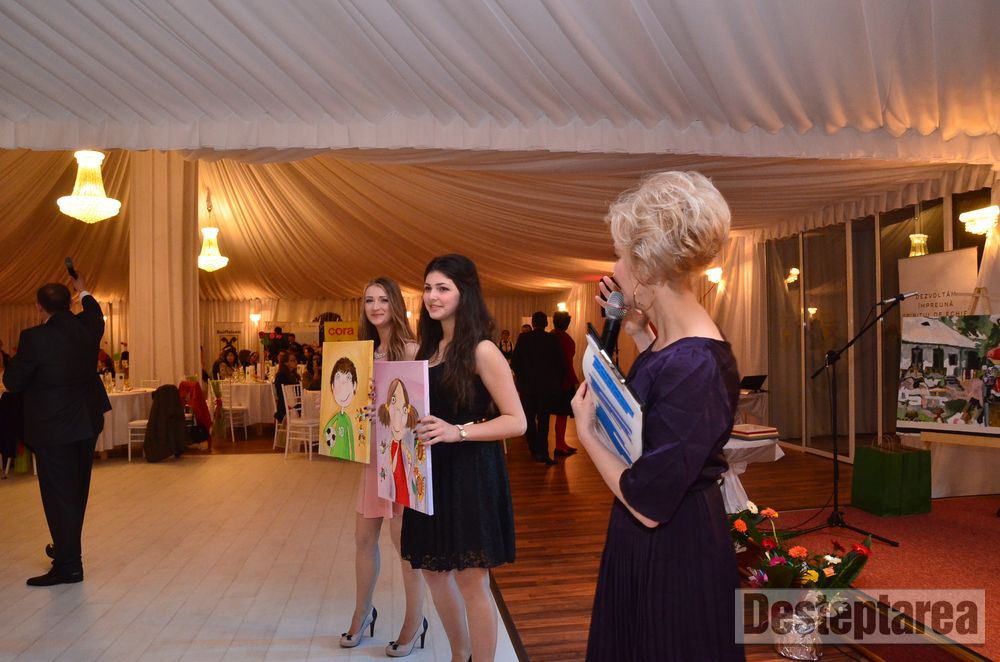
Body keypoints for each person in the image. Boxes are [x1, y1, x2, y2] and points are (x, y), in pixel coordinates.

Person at [571, 171, 743, 660]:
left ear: (646, 266)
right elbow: (662, 408)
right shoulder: (675, 346)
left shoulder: (695, 364)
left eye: (620, 255)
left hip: (673, 550)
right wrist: (638, 332)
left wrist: (587, 433)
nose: (616, 267)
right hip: (658, 538)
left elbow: (648, 503)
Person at [402, 254, 526, 662]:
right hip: (431, 474)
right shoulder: (428, 348)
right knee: (434, 572)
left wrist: (459, 432)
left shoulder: (482, 349)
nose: (432, 296)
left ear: (464, 294)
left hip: (470, 473)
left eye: (443, 288)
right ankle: (461, 654)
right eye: (428, 288)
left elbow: (517, 421)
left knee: (472, 581)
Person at [3, 272, 111, 586]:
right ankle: (66, 550)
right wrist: (83, 289)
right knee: (76, 492)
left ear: (39, 307)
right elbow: (94, 312)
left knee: (57, 495)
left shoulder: (34, 338)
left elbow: (13, 382)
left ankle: (69, 566)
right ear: (70, 303)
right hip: (86, 422)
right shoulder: (88, 327)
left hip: (54, 428)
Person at [340, 276, 429, 657]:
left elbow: (419, 405)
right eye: (368, 300)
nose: (375, 307)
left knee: (405, 545)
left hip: (402, 458)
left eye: (382, 300)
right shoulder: (363, 354)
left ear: (395, 304)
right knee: (363, 539)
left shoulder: (412, 349)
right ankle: (362, 613)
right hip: (371, 458)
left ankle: (414, 621)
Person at [511, 311, 564, 464]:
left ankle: (533, 448)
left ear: (533, 323)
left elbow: (515, 362)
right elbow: (560, 364)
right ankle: (543, 452)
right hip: (546, 388)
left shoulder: (524, 338)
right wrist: (555, 382)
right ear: (546, 324)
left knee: (529, 418)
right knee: (544, 420)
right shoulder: (552, 339)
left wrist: (522, 379)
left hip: (527, 387)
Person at [550, 310, 579, 455]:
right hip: (564, 382)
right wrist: (575, 381)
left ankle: (561, 443)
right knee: (562, 415)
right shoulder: (565, 339)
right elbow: (568, 363)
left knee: (559, 415)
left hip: (551, 381)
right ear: (566, 324)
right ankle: (559, 445)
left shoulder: (550, 336)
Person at [273, 352, 301, 422]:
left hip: (296, 403)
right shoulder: (281, 376)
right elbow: (281, 393)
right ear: (286, 363)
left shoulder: (295, 375)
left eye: (296, 360)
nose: (296, 362)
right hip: (285, 406)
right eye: (292, 360)